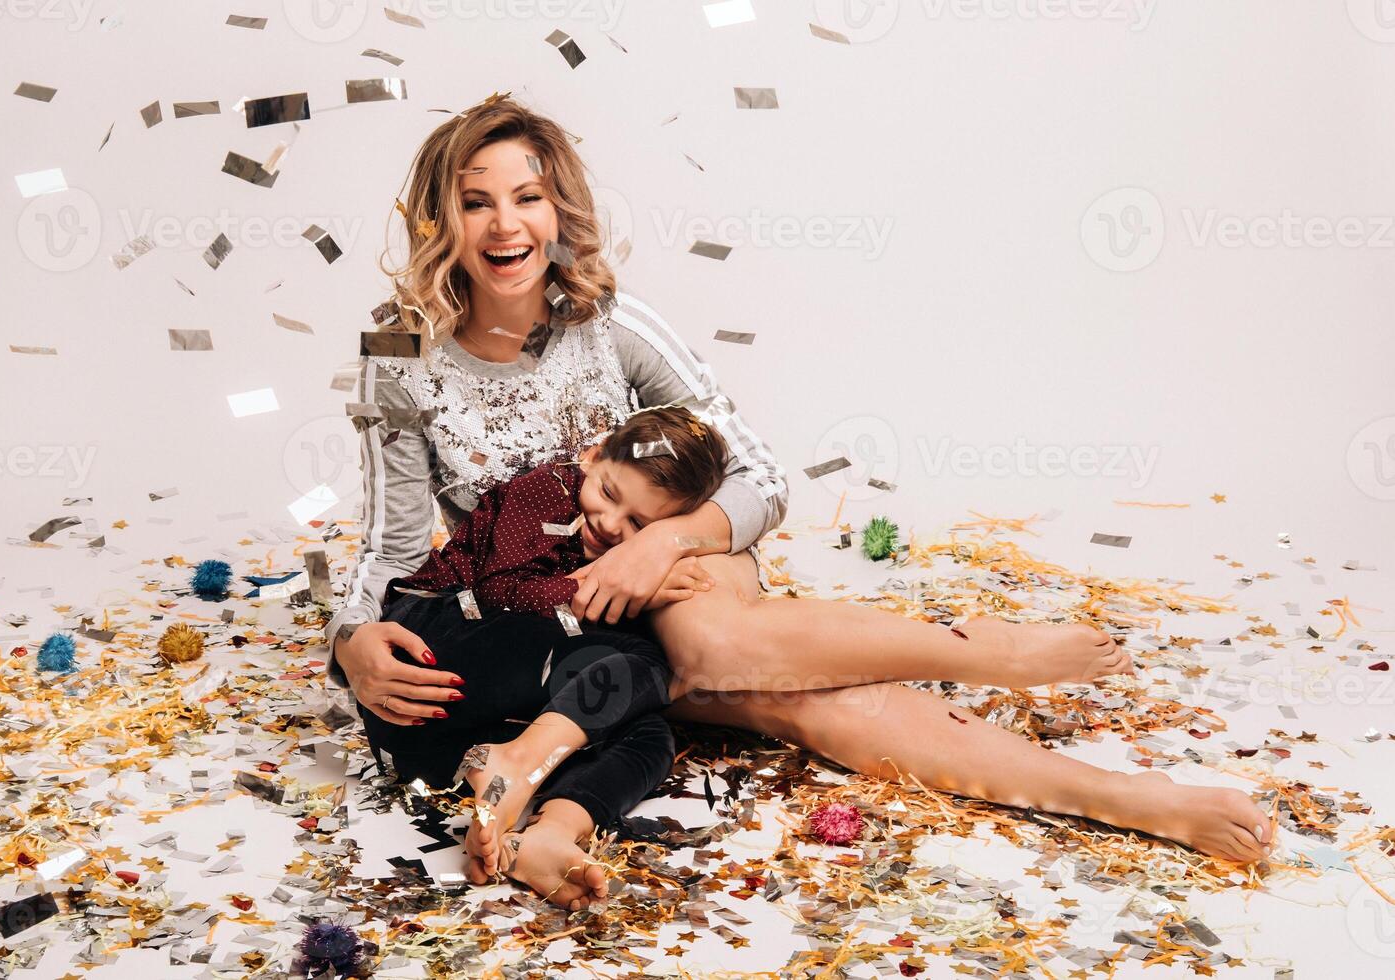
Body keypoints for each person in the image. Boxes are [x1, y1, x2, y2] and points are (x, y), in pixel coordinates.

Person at [326, 97, 1274, 908]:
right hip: (563, 616)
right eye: (477, 200)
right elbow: (393, 544)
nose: (506, 225)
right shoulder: (397, 359)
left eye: (527, 197)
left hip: (687, 572)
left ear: (558, 207)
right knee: (807, 707)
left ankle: (998, 666)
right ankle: (1125, 791)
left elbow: (759, 479)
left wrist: (662, 546)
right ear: (437, 219)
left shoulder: (611, 323)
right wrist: (350, 643)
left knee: (709, 640)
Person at [358, 406, 729, 907]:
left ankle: (547, 832)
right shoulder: (546, 489)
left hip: (448, 747)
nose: (610, 522)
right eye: (608, 494)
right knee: (646, 661)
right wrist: (603, 583)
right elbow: (498, 593)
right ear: (592, 458)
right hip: (430, 647)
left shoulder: (627, 538)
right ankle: (514, 763)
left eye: (639, 523)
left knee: (648, 733)